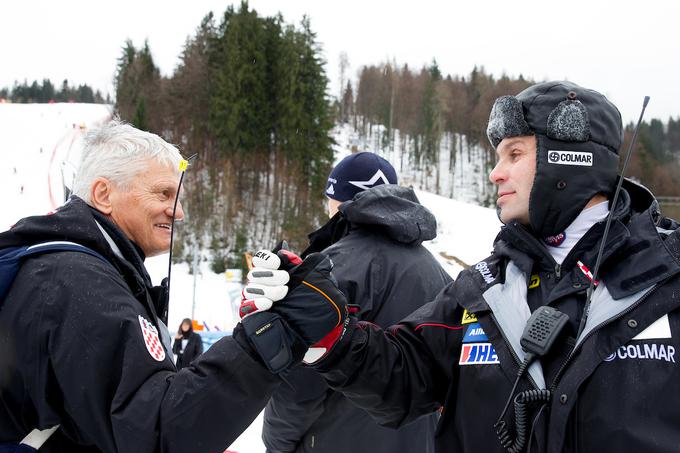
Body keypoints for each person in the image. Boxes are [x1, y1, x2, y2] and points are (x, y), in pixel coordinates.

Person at [245, 81, 680, 452]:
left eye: (514, 154)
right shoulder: (485, 287)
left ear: (569, 158)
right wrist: (331, 333)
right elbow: (404, 373)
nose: (495, 173)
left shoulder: (667, 277)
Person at [0, 120, 345, 452]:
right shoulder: (78, 283)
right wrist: (269, 342)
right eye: (164, 193)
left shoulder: (71, 269)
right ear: (104, 194)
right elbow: (154, 432)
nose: (178, 212)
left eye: (177, 197)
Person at [262, 152, 451, 453]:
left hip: (335, 441)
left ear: (342, 203)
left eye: (330, 197)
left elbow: (301, 381)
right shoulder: (438, 272)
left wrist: (277, 443)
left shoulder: (334, 268)